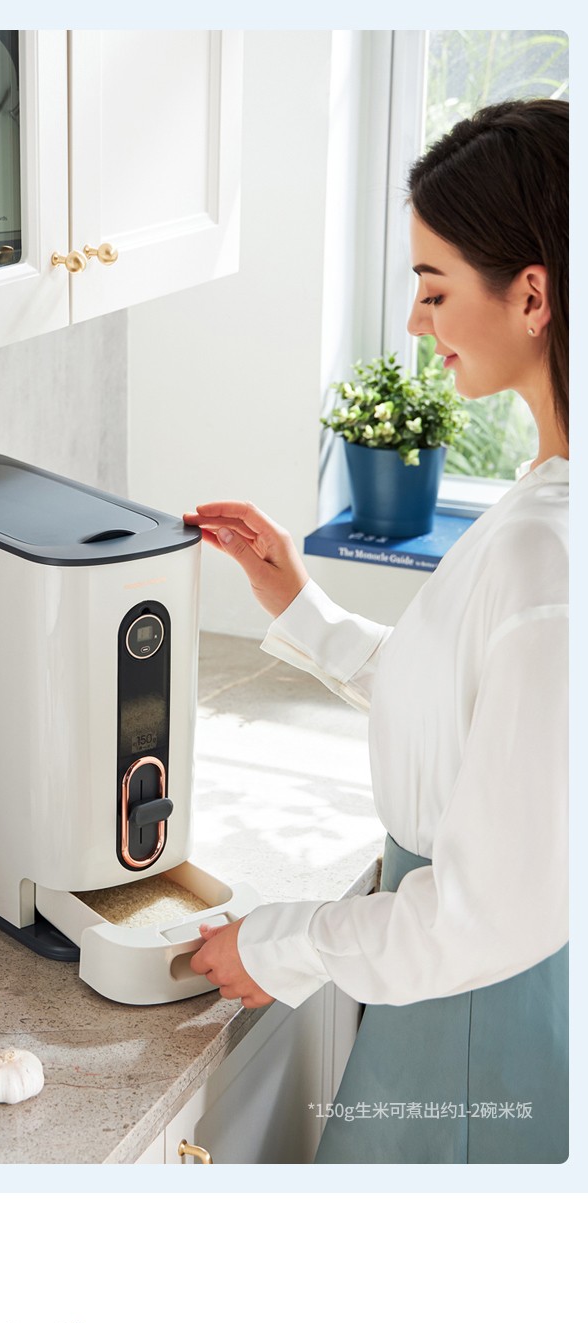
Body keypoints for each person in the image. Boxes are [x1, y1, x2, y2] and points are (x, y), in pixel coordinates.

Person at [186, 99, 569, 1164]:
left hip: (470, 1011)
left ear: (531, 294)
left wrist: (281, 942)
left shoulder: (548, 553)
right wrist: (300, 606)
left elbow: (483, 914)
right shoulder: (546, 501)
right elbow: (469, 710)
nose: (415, 321)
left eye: (434, 289)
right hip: (459, 991)